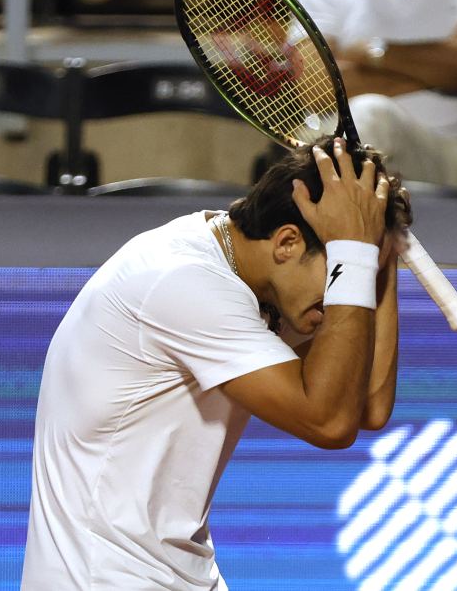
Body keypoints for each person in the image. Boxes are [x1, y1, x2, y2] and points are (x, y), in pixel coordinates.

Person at [21, 137, 411, 589]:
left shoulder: (252, 275)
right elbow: (329, 422)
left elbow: (366, 404)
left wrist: (377, 257)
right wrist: (357, 258)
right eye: (338, 270)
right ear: (286, 243)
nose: (338, 305)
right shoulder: (182, 283)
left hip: (171, 574)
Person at [294, 0, 457, 193]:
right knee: (337, 134)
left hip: (447, 156)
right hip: (331, 140)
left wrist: (371, 53)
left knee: (371, 112)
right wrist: (443, 69)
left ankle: (337, 226)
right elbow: (314, 88)